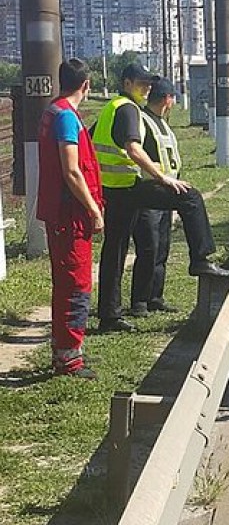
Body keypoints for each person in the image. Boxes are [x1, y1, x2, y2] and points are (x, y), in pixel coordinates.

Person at [93, 63, 229, 333]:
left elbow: (88, 138)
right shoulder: (128, 109)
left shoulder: (111, 108)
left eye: (148, 84)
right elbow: (133, 148)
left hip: (113, 188)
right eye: (141, 84)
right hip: (129, 186)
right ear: (126, 82)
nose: (147, 89)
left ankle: (109, 316)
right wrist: (163, 178)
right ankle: (200, 259)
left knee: (115, 250)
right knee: (189, 197)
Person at [37, 58, 104, 379]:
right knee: (76, 286)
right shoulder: (66, 117)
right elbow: (72, 171)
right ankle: (69, 359)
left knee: (66, 285)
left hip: (62, 213)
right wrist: (93, 209)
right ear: (86, 85)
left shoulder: (54, 111)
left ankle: (62, 352)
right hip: (71, 215)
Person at [129, 77, 182, 317]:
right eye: (173, 97)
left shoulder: (163, 123)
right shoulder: (143, 121)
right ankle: (139, 301)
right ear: (167, 99)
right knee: (148, 248)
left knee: (162, 248)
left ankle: (155, 297)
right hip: (149, 194)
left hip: (166, 194)